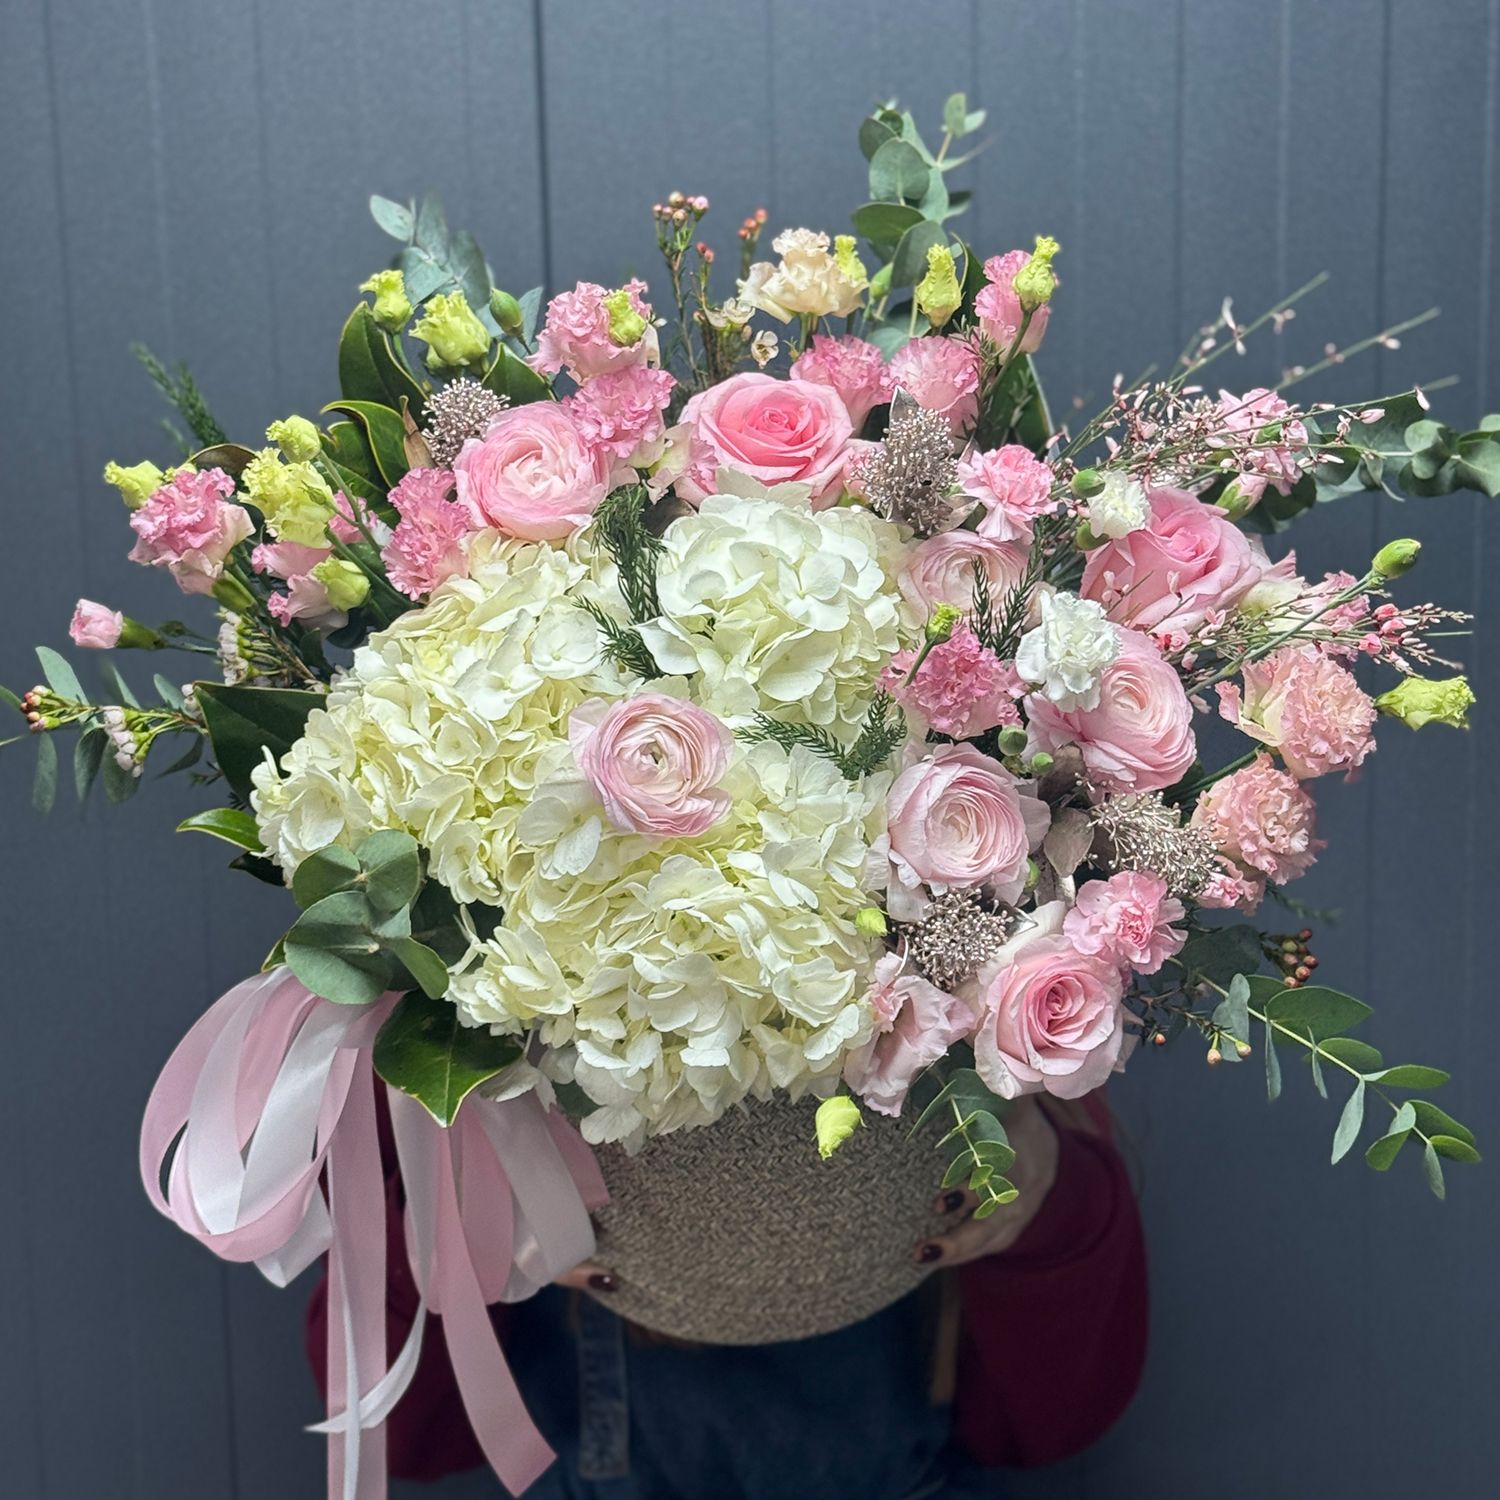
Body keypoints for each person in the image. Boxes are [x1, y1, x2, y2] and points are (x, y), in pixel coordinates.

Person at [308, 1091, 1147, 1499]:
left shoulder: (994, 1064)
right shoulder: (473, 1064)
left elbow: (1053, 1422)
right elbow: (397, 1439)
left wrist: (1050, 1198)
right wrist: (445, 1242)